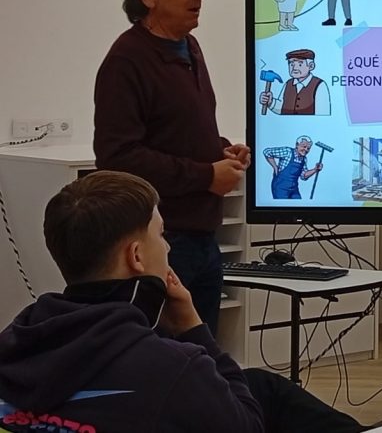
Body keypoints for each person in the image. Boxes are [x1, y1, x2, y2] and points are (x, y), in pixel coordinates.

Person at [0, 171, 363, 433]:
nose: (168, 247)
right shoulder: (172, 367)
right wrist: (193, 328)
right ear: (136, 256)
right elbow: (248, 427)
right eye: (161, 235)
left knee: (260, 385)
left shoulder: (16, 341)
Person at [94, 0, 250, 335]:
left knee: (204, 357)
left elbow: (176, 129)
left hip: (203, 237)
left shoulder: (189, 47)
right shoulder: (126, 60)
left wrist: (222, 150)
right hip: (161, 241)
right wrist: (206, 175)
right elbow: (117, 158)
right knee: (166, 361)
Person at [259, 48, 331, 115]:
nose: (294, 68)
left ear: (311, 66)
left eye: (300, 64)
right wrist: (270, 102)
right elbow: (282, 108)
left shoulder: (319, 85)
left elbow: (322, 113)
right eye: (291, 64)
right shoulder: (288, 84)